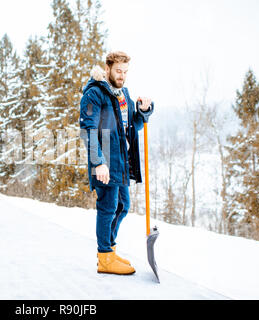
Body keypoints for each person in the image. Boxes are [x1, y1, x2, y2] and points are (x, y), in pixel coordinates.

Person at [79, 51, 152, 275]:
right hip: (105, 161)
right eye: (118, 71)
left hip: (120, 162)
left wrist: (143, 110)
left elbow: (133, 125)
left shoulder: (123, 94)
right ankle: (105, 258)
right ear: (108, 68)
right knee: (108, 207)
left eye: (125, 72)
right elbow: (87, 129)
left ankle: (109, 250)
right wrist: (98, 162)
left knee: (122, 206)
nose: (122, 76)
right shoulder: (94, 94)